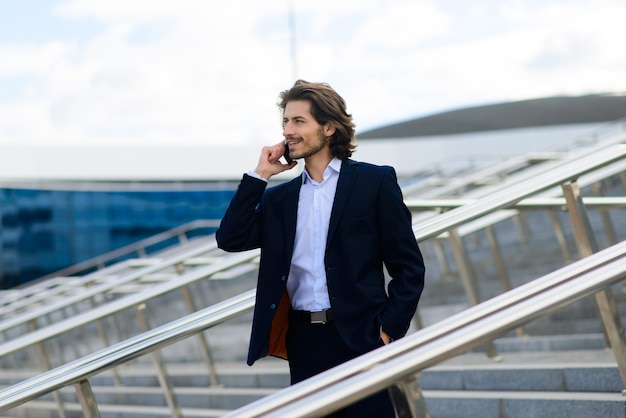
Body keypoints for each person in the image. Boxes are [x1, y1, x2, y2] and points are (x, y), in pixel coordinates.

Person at [216, 80, 425, 417]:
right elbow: (230, 238)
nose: (288, 131)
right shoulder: (279, 200)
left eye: (299, 121)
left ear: (329, 128)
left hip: (362, 337)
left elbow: (408, 267)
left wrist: (388, 330)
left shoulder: (374, 183)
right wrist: (260, 175)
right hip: (304, 342)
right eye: (285, 122)